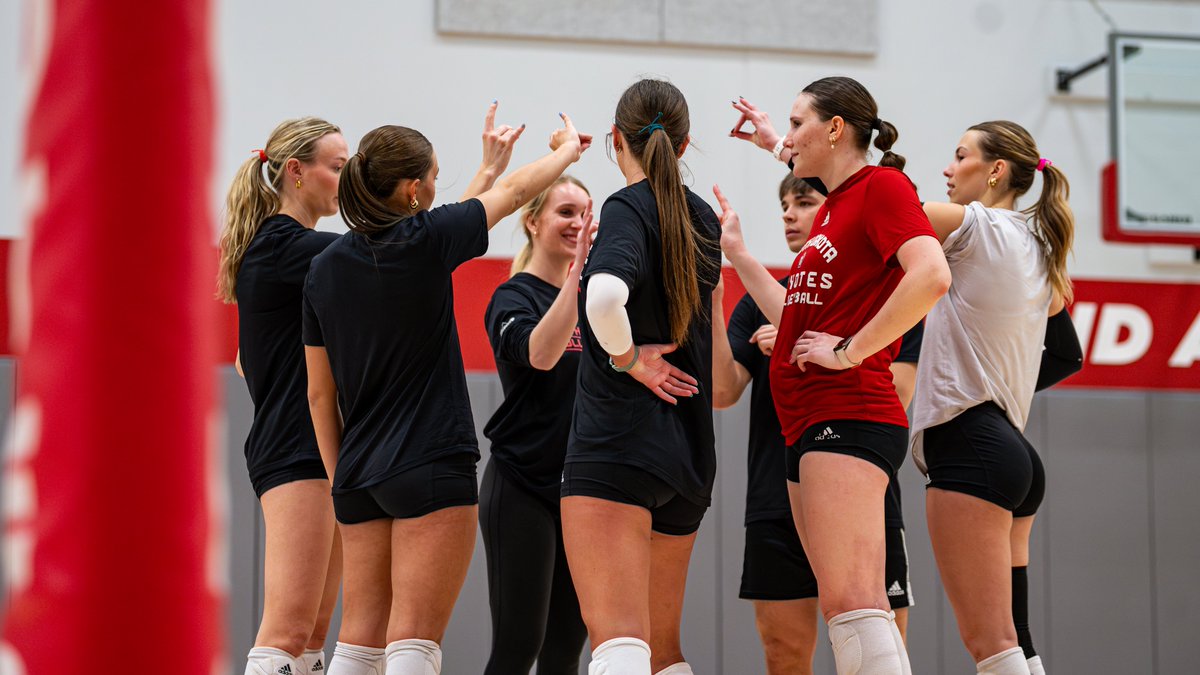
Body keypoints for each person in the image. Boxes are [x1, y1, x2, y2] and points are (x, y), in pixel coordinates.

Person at [303, 107, 589, 675]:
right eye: (435, 175)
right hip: (429, 464)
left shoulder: (324, 267)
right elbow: (509, 193)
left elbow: (318, 394)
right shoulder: (427, 240)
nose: (440, 185)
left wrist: (342, 482)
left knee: (358, 641)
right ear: (413, 190)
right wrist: (564, 152)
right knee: (414, 639)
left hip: (358, 474)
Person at [717, 76, 951, 675]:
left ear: (836, 129)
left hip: (846, 411)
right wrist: (774, 144)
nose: (788, 135)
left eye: (798, 123)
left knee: (854, 606)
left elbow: (931, 275)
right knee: (847, 609)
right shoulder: (841, 201)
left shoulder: (882, 188)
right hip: (808, 423)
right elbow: (798, 312)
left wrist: (849, 351)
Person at [560, 78, 722, 675]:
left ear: (615, 140)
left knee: (620, 646)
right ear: (683, 147)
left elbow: (604, 298)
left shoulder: (627, 205)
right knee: (663, 654)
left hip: (616, 449)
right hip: (687, 455)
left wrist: (628, 361)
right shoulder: (702, 216)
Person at [913, 121, 1080, 675]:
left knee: (991, 644)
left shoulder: (975, 225)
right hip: (1011, 451)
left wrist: (786, 151)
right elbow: (1067, 355)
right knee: (1017, 641)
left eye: (959, 156)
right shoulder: (1038, 243)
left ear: (995, 171)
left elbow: (877, 209)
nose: (947, 168)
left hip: (969, 443)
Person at [218, 117, 347, 675]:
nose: (347, 181)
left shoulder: (297, 253)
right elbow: (396, 252)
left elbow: (247, 358)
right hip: (295, 446)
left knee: (314, 631)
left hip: (324, 446)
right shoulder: (284, 247)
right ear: (297, 172)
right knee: (288, 627)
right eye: (339, 168)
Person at [479, 175, 596, 674]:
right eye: (566, 212)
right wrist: (578, 277)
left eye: (587, 214)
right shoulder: (513, 298)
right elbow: (542, 354)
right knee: (518, 646)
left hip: (579, 491)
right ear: (532, 222)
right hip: (521, 486)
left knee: (565, 649)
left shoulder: (600, 303)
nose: (579, 224)